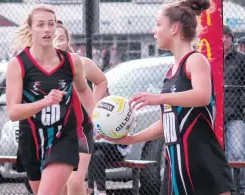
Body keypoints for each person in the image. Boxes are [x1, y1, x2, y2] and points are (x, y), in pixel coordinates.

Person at [97, 0, 235, 195]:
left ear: (174, 29)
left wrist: (159, 99)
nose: (154, 31)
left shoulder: (195, 60)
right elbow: (167, 122)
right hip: (175, 165)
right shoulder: (171, 72)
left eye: (158, 24)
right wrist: (131, 139)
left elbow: (202, 96)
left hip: (202, 160)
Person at [6, 5, 95, 195]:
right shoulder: (18, 64)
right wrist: (44, 102)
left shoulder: (71, 61)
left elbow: (84, 91)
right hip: (31, 139)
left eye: (51, 24)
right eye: (40, 25)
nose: (47, 29)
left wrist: (99, 119)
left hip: (63, 137)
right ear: (30, 29)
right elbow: (13, 112)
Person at [53, 21, 108, 195]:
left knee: (75, 182)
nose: (57, 41)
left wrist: (93, 109)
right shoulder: (42, 68)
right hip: (53, 130)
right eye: (53, 37)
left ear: (68, 40)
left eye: (61, 38)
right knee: (59, 185)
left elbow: (101, 81)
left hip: (80, 129)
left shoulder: (81, 63)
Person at [223, 25, 245, 194]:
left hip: (235, 112)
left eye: (226, 36)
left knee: (236, 154)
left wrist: (241, 103)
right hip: (214, 114)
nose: (223, 40)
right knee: (216, 153)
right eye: (220, 36)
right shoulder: (210, 57)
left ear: (232, 38)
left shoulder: (240, 59)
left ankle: (239, 188)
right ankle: (224, 188)